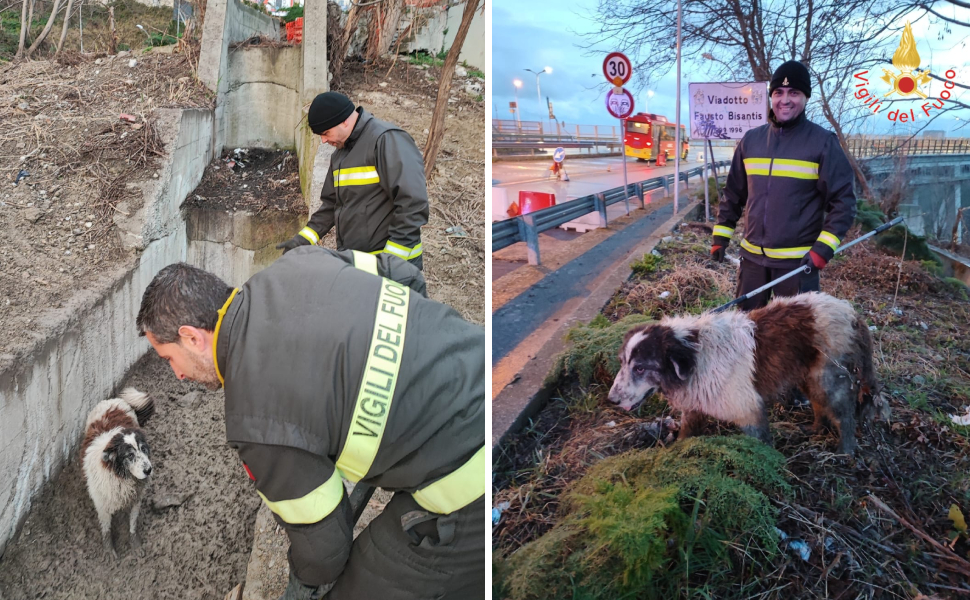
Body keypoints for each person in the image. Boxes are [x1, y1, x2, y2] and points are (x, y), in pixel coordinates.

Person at [135, 248, 485, 600]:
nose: (177, 375)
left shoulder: (256, 418)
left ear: (192, 337)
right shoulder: (301, 262)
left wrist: (301, 582)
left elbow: (324, 551)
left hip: (470, 488)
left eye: (169, 358)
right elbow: (404, 274)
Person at [710, 60, 857, 311]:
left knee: (795, 343)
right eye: (778, 92)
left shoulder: (823, 143)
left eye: (794, 93)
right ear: (771, 97)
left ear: (806, 98)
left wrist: (822, 251)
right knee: (747, 335)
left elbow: (844, 203)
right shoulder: (751, 141)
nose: (785, 100)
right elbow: (733, 194)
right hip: (752, 263)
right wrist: (720, 236)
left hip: (797, 267)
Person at [277, 92, 430, 270]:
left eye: (326, 133)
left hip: (394, 268)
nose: (323, 140)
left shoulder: (386, 139)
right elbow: (331, 205)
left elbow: (412, 204)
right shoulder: (340, 155)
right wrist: (301, 240)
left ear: (344, 120)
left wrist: (390, 262)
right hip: (361, 265)